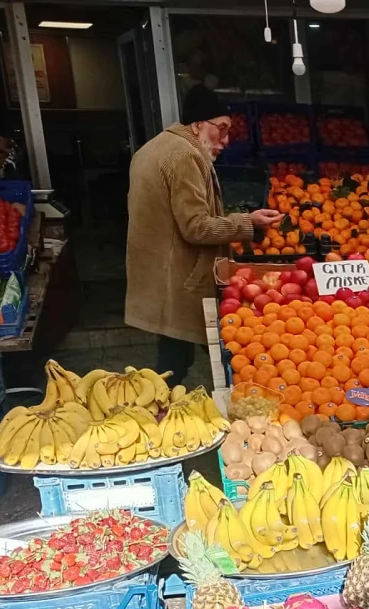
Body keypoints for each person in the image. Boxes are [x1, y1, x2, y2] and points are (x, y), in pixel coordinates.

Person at [124, 84, 282, 384]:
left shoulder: (151, 148)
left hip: (160, 276)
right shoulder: (185, 156)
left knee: (176, 359)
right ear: (197, 125)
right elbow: (196, 227)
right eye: (221, 129)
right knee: (192, 361)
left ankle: (161, 405)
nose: (226, 140)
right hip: (179, 280)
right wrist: (248, 223)